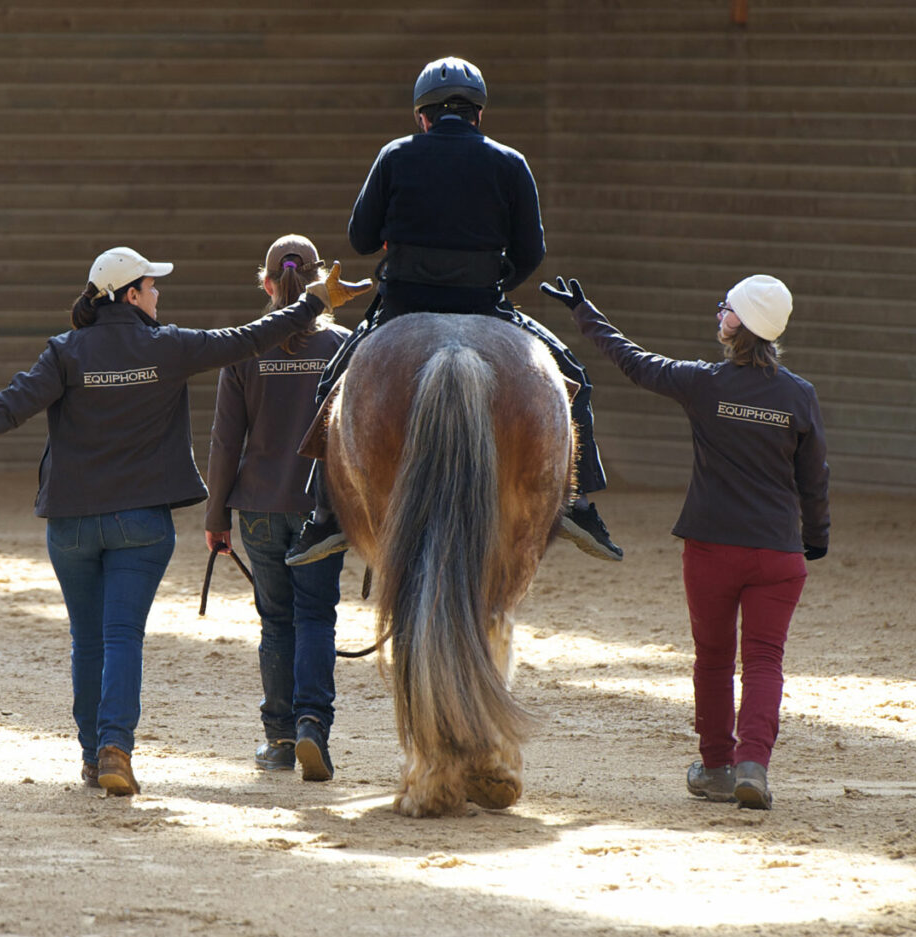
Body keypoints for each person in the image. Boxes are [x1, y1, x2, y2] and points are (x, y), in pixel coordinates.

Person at [0, 245, 370, 796]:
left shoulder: (65, 352)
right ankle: (116, 747)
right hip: (142, 524)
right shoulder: (170, 347)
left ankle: (93, 756)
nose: (158, 294)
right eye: (152, 287)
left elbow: (11, 404)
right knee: (122, 636)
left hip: (72, 524)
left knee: (87, 642)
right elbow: (247, 339)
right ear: (130, 294)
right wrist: (315, 303)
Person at [284, 56, 622, 567]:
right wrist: (497, 281)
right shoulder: (511, 162)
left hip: (402, 306)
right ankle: (578, 503)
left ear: (423, 116)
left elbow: (358, 238)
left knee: (332, 385)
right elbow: (531, 252)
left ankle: (325, 514)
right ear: (478, 115)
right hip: (484, 305)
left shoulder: (395, 155)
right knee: (573, 380)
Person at [541, 273, 830, 810]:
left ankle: (717, 767)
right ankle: (753, 766)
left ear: (739, 323)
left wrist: (585, 312)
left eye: (726, 307)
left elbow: (633, 361)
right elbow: (815, 479)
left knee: (715, 660)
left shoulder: (705, 383)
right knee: (766, 659)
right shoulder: (800, 395)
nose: (719, 313)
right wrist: (815, 537)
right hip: (778, 553)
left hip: (712, 549)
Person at [205, 235, 351, 781]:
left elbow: (225, 440)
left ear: (267, 284)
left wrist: (216, 516)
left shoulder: (245, 349)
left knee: (276, 621)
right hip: (322, 508)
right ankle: (314, 723)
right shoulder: (343, 343)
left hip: (259, 504)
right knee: (317, 615)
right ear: (321, 285)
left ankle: (280, 737)